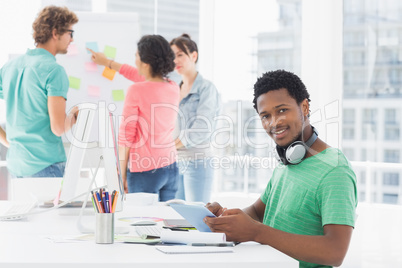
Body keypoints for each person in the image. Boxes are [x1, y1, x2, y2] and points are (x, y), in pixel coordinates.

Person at [204, 70, 357, 268]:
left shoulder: (335, 170)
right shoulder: (288, 161)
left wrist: (256, 232)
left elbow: (335, 252)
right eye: (265, 116)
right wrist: (225, 218)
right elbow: (258, 213)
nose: (274, 122)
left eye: (282, 110)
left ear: (304, 107)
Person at [88, 35, 180, 201]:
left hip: (145, 171)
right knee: (167, 224)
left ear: (145, 63)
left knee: (141, 223)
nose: (135, 60)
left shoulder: (136, 91)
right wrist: (108, 62)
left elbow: (126, 137)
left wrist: (120, 174)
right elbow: (140, 76)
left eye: (136, 56)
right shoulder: (172, 87)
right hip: (170, 167)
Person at [0, 6, 79, 178]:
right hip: (45, 166)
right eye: (70, 33)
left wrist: (10, 142)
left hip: (16, 165)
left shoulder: (9, 68)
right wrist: (74, 116)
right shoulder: (53, 71)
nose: (71, 39)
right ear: (55, 33)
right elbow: (58, 128)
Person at [170, 34, 221, 203]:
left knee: (196, 217)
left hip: (198, 161)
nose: (175, 60)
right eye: (172, 56)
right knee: (176, 218)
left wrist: (170, 146)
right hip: (176, 162)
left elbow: (202, 128)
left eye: (180, 55)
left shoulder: (206, 89)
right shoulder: (174, 90)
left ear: (193, 55)